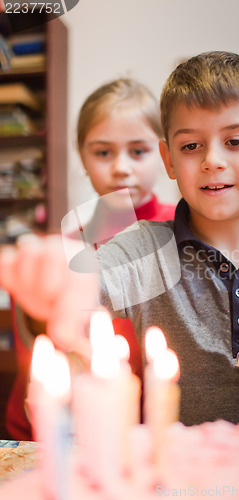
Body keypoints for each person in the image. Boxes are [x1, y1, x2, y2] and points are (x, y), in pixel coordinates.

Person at [0, 52, 239, 443]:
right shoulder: (146, 244)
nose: (213, 160)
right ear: (169, 159)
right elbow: (93, 278)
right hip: (180, 476)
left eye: (235, 141)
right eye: (191, 146)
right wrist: (61, 282)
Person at [5, 78, 176, 441]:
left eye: (138, 151)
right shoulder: (68, 243)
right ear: (82, 157)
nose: (121, 167)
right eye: (103, 153)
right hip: (75, 429)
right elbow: (38, 339)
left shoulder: (183, 229)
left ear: (164, 155)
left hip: (160, 425)